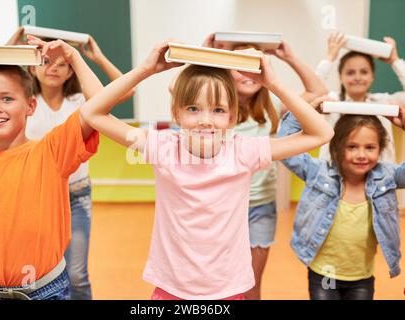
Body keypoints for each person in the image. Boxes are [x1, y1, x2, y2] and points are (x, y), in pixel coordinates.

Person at [78, 40, 334, 299]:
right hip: (172, 289)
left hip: (228, 290)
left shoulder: (243, 151)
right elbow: (91, 112)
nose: (205, 120)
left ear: (232, 117)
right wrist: (146, 69)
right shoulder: (163, 147)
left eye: (218, 110)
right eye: (193, 109)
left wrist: (273, 84)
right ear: (176, 114)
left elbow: (321, 132)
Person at [0, 38, 102, 300]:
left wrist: (74, 56)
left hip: (47, 292)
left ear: (30, 105)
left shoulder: (52, 152)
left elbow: (100, 106)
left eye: (7, 98)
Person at [202, 34, 328, 299]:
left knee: (251, 287)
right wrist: (205, 55)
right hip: (221, 209)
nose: (248, 73)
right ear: (226, 71)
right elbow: (177, 90)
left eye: (255, 66)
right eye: (240, 66)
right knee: (218, 285)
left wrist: (289, 58)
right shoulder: (213, 112)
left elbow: (318, 92)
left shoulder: (274, 111)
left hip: (260, 209)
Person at [24, 29, 134, 300]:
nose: (54, 69)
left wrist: (97, 57)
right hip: (35, 197)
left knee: (77, 276)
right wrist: (13, 42)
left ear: (72, 71)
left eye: (62, 64)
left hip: (76, 196)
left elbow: (126, 89)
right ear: (33, 65)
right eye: (47, 62)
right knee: (38, 276)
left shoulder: (80, 102)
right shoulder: (24, 103)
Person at [278, 95, 405, 300]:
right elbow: (284, 149)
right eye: (352, 146)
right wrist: (307, 113)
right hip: (324, 274)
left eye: (370, 147)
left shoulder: (386, 178)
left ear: (380, 149)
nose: (361, 154)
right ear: (337, 147)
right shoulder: (319, 173)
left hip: (361, 278)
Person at [315, 31, 405, 162]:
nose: (357, 77)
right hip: (335, 178)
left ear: (372, 76)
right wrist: (330, 58)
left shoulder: (384, 101)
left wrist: (394, 61)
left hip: (380, 178)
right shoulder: (331, 100)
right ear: (340, 77)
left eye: (364, 72)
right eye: (350, 73)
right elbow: (311, 91)